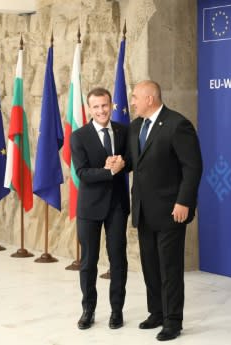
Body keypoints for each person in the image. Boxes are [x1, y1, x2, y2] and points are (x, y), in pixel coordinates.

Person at [126, 80, 202, 341]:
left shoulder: (177, 124)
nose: (132, 101)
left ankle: (173, 321)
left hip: (172, 210)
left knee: (169, 268)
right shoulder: (136, 126)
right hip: (143, 211)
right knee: (150, 266)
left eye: (135, 96)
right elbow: (133, 161)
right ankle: (156, 312)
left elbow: (192, 167)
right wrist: (119, 162)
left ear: (150, 98)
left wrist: (184, 201)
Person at [70, 87, 129, 330]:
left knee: (118, 260)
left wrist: (122, 163)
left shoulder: (123, 131)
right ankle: (88, 310)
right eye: (96, 107)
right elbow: (82, 173)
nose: (101, 110)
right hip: (89, 208)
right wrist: (107, 171)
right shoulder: (79, 136)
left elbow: (132, 161)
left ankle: (117, 311)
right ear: (89, 109)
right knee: (88, 261)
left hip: (117, 205)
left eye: (105, 105)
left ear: (111, 105)